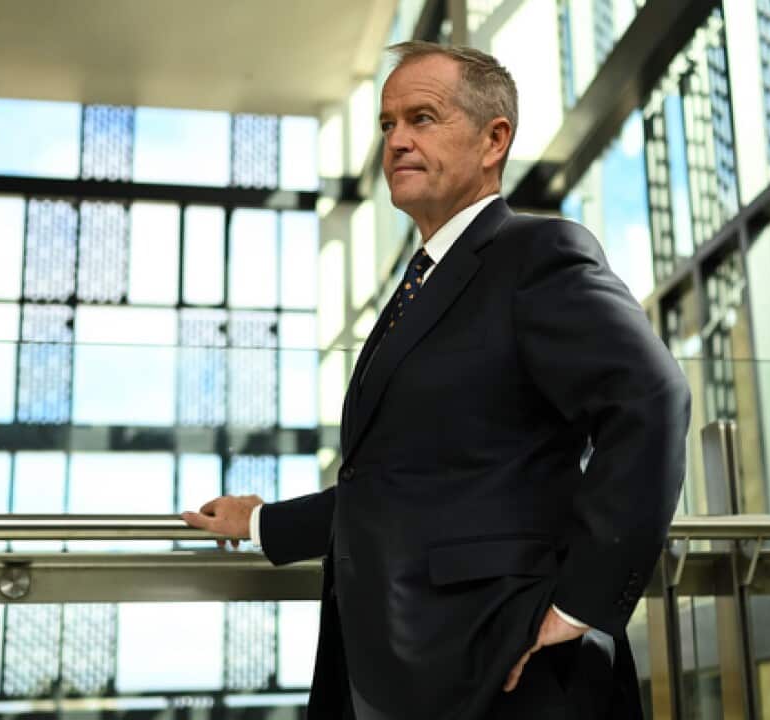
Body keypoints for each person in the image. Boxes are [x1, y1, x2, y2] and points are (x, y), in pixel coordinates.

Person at [183, 41, 690, 719]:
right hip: (400, 666)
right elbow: (409, 480)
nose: (397, 141)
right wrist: (266, 523)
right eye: (388, 125)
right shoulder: (419, 287)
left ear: (493, 140)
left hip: (508, 666)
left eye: (422, 117)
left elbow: (651, 400)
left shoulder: (535, 255)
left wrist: (583, 608)